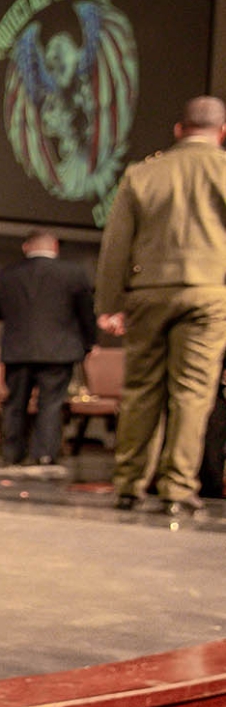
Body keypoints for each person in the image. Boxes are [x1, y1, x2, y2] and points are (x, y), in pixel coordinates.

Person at [95, 96, 226, 518]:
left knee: (141, 390)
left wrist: (110, 303)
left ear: (178, 129)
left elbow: (116, 245)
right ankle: (177, 489)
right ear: (221, 132)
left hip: (148, 292)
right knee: (192, 394)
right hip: (208, 293)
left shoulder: (144, 173)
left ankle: (130, 485)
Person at [0, 229, 98, 473]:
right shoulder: (73, 274)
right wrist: (89, 343)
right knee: (51, 404)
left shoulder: (5, 274)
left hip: (17, 349)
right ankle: (44, 455)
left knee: (15, 403)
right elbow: (86, 312)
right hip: (59, 350)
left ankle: (12, 455)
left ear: (26, 247)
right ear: (54, 246)